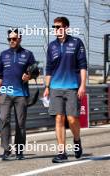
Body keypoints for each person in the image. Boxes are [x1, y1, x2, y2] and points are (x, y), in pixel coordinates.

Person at [43, 17, 87, 163]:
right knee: (58, 118)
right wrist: (47, 87)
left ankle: (77, 140)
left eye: (59, 27)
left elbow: (83, 66)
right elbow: (49, 68)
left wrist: (82, 86)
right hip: (55, 88)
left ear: (66, 27)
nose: (56, 30)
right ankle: (62, 152)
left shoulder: (76, 43)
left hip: (72, 87)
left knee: (72, 118)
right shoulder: (52, 46)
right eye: (54, 27)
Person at [0, 28, 36, 161]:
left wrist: (28, 77)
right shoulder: (3, 54)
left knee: (20, 123)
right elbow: (0, 76)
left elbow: (36, 72)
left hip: (21, 94)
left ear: (20, 39)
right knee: (3, 119)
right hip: (5, 93)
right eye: (9, 39)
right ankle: (6, 150)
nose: (11, 41)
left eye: (14, 39)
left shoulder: (28, 54)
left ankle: (19, 151)